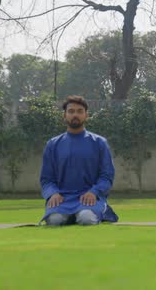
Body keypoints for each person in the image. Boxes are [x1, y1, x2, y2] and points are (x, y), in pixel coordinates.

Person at [39, 95, 118, 225]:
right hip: (62, 199)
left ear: (86, 115)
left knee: (86, 218)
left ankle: (98, 212)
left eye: (80, 111)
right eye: (71, 111)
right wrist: (53, 193)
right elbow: (46, 179)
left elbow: (107, 176)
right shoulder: (53, 145)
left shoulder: (99, 143)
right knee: (54, 220)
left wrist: (94, 192)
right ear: (64, 115)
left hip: (89, 198)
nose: (75, 114)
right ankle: (70, 216)